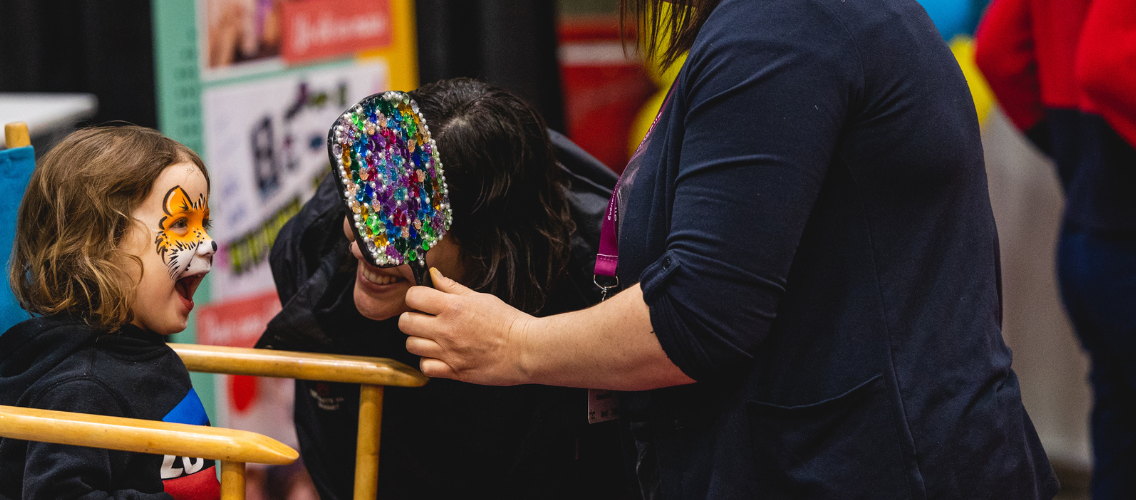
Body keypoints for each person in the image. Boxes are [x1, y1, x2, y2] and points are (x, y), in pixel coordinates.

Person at [395, 0, 1060, 497]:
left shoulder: (785, 30)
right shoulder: (783, 26)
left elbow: (699, 318)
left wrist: (516, 346)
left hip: (868, 467)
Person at [257, 78, 630, 499]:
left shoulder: (597, 284)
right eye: (364, 209)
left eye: (403, 228)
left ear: (488, 243)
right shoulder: (313, 254)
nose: (365, 246)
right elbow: (335, 455)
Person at [0, 125, 222, 500]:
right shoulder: (81, 390)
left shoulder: (138, 351)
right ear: (98, 247)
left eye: (203, 224)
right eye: (180, 225)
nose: (208, 243)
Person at [978, 2, 1136, 497]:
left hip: (1089, 237)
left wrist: (1076, 156)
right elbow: (1110, 65)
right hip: (1121, 237)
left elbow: (998, 51)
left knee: (1121, 437)